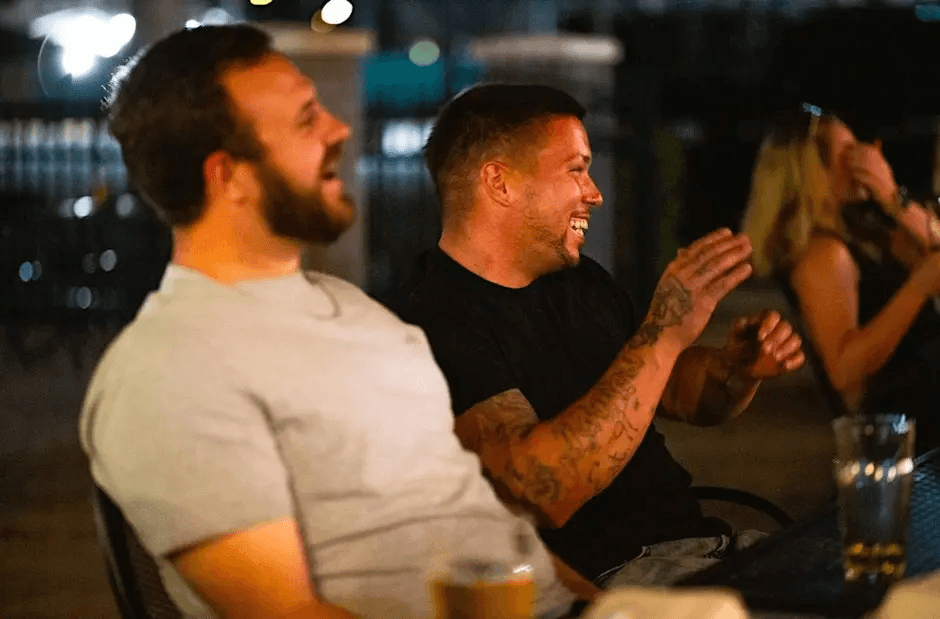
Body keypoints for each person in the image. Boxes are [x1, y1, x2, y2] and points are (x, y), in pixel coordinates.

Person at [78, 26, 586, 619]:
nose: (339, 129)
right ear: (228, 175)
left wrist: (612, 604)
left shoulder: (356, 313)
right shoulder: (170, 370)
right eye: (305, 120)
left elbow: (477, 518)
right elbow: (285, 613)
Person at [401, 83, 806, 586]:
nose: (595, 193)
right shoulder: (434, 322)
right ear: (500, 183)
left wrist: (735, 370)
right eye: (576, 169)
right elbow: (539, 491)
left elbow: (673, 392)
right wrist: (663, 332)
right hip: (619, 579)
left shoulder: (580, 282)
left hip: (705, 548)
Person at [742, 109, 940, 453]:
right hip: (902, 435)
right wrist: (917, 289)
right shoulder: (823, 255)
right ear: (812, 170)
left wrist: (892, 197)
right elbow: (844, 372)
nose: (864, 161)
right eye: (849, 154)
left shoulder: (866, 234)